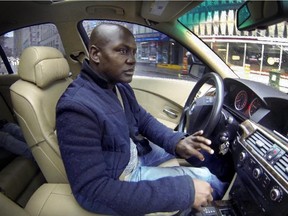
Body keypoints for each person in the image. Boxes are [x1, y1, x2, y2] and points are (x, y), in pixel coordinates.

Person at [56, 23, 227, 215]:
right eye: (122, 51)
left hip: (133, 152)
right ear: (95, 54)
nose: (132, 60)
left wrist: (177, 142)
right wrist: (184, 191)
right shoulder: (75, 109)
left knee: (198, 149)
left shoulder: (118, 87)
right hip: (122, 172)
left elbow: (143, 120)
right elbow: (92, 191)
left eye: (134, 53)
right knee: (206, 178)